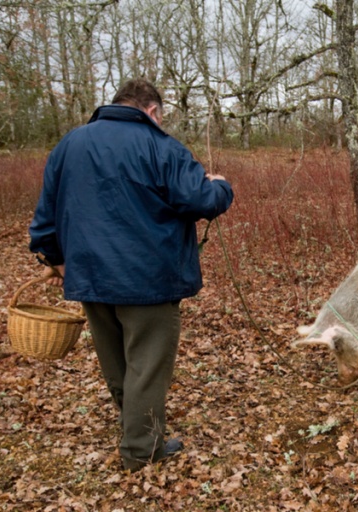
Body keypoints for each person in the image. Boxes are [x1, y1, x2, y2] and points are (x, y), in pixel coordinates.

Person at [28, 78, 233, 471]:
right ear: (152, 111)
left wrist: (54, 258)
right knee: (147, 363)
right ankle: (141, 449)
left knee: (117, 360)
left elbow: (45, 216)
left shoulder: (69, 145)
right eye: (161, 115)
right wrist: (221, 186)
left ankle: (133, 427)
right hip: (149, 280)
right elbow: (200, 199)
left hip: (91, 278)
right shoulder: (162, 147)